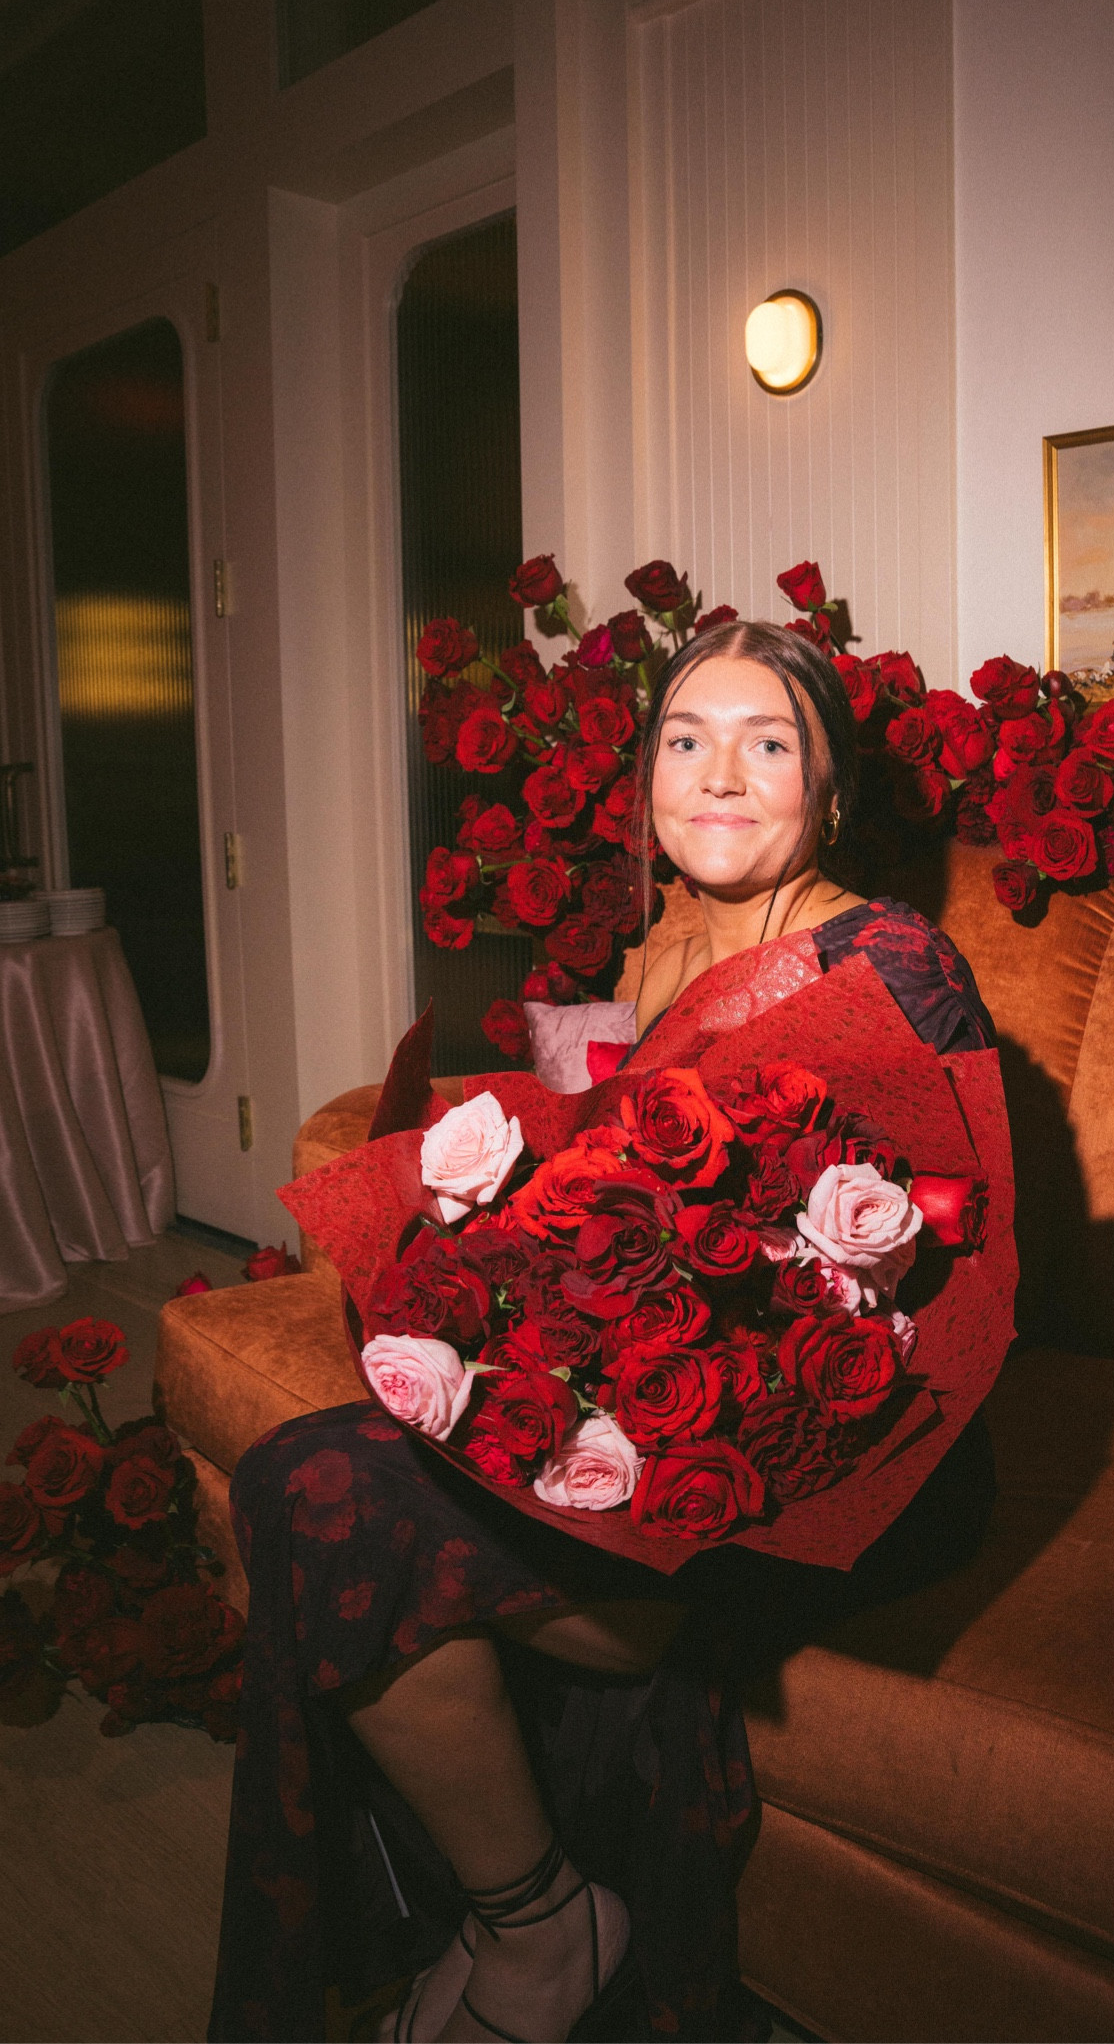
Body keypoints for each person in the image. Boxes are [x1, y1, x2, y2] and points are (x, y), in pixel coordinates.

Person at [210, 622, 1000, 2044]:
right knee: (293, 1478)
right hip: (641, 1411)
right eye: (686, 740)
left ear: (825, 790)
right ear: (645, 783)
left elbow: (905, 1282)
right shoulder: (658, 949)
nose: (718, 774)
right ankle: (528, 1909)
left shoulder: (894, 962)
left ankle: (534, 1931)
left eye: (768, 742)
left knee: (324, 1504)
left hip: (821, 1451)